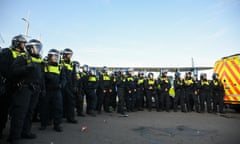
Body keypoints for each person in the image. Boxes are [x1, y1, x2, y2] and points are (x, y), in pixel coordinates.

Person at [8, 38, 44, 143]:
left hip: (35, 89)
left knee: (30, 112)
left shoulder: (40, 61)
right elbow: (13, 71)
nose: (38, 50)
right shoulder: (22, 58)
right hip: (24, 88)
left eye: (39, 48)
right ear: (29, 48)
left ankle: (25, 132)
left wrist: (43, 88)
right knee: (20, 112)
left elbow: (41, 77)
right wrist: (26, 68)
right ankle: (14, 136)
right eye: (36, 48)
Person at [39, 49, 66, 132]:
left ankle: (57, 125)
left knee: (58, 108)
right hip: (47, 90)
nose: (55, 58)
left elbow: (64, 79)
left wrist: (61, 85)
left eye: (56, 56)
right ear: (50, 56)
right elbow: (41, 78)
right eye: (54, 56)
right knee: (45, 108)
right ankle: (44, 124)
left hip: (57, 90)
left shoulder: (60, 67)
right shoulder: (45, 65)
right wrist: (43, 87)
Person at [61, 48, 78, 123]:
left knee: (71, 102)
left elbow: (74, 76)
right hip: (61, 85)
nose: (70, 56)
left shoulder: (72, 64)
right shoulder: (60, 62)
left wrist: (74, 86)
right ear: (65, 54)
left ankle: (70, 118)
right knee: (60, 102)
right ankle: (58, 118)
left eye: (71, 54)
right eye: (69, 54)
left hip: (69, 85)